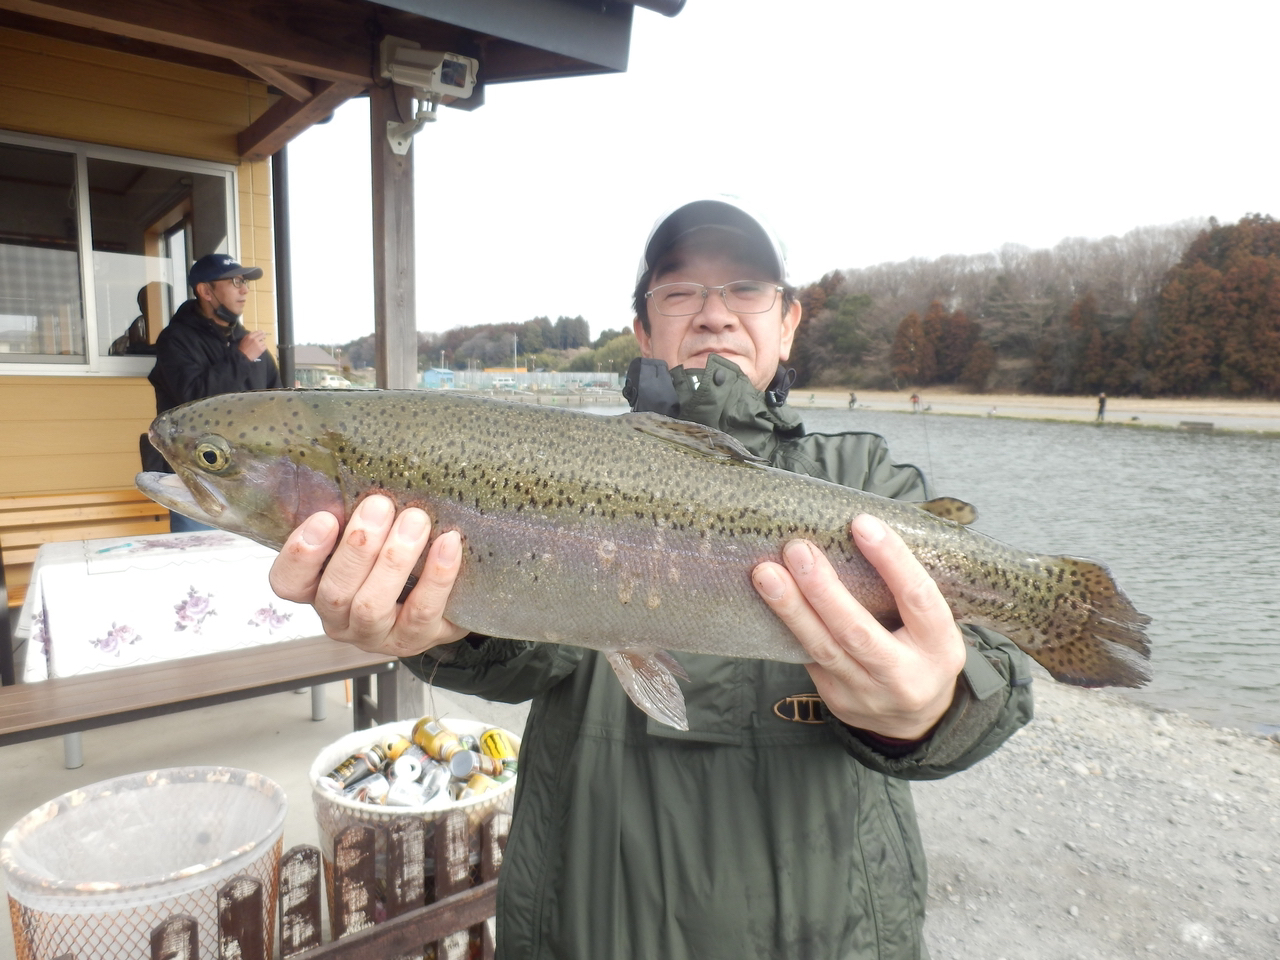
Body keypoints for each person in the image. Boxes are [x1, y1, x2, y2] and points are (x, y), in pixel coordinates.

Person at [269, 197, 1034, 959]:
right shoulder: (560, 469)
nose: (714, 313)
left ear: (789, 320)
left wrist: (930, 707)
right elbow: (529, 655)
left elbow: (998, 668)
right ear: (642, 329)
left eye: (746, 289)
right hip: (592, 919)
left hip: (834, 933)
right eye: (681, 292)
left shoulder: (863, 481)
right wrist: (442, 633)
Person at [149, 253, 281, 530]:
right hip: (197, 481)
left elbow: (275, 404)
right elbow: (193, 402)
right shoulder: (176, 340)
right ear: (206, 291)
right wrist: (240, 359)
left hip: (251, 481)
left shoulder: (248, 343)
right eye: (235, 281)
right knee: (200, 560)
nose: (244, 289)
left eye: (245, 281)